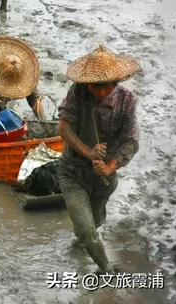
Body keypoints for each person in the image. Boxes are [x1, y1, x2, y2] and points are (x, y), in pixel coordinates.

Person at [58, 45, 140, 274]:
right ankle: (107, 271)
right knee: (85, 229)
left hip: (104, 178)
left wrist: (110, 166)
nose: (99, 92)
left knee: (93, 223)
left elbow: (131, 141)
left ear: (115, 82)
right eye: (94, 86)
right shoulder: (78, 92)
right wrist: (88, 152)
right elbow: (64, 129)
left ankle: (81, 244)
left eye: (105, 87)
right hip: (72, 171)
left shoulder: (127, 101)